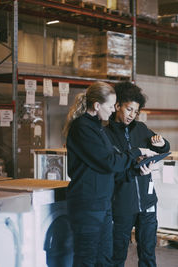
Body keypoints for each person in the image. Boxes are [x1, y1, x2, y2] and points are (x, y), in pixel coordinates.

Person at [63, 82, 157, 267]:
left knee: (105, 258)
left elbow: (112, 164)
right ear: (97, 105)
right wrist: (137, 151)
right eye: (110, 106)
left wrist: (135, 170)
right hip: (88, 203)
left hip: (103, 203)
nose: (113, 109)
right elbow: (109, 162)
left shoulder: (96, 126)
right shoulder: (83, 128)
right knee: (87, 258)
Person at [104, 82, 170, 267]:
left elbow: (165, 147)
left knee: (148, 253)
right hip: (122, 203)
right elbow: (111, 168)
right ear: (117, 106)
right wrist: (134, 169)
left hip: (148, 201)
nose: (132, 115)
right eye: (129, 109)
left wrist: (161, 144)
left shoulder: (141, 129)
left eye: (136, 111)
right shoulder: (106, 135)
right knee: (117, 255)